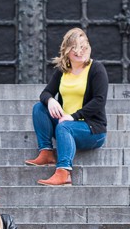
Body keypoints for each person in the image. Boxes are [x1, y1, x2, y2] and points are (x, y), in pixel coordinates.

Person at [25, 27, 109, 187]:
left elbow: (99, 101)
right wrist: (50, 100)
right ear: (67, 51)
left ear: (89, 48)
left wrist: (73, 117)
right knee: (39, 108)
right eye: (74, 48)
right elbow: (45, 93)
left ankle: (63, 171)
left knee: (65, 127)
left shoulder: (96, 69)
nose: (80, 52)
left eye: (83, 47)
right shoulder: (62, 71)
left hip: (91, 129)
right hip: (66, 124)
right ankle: (47, 152)